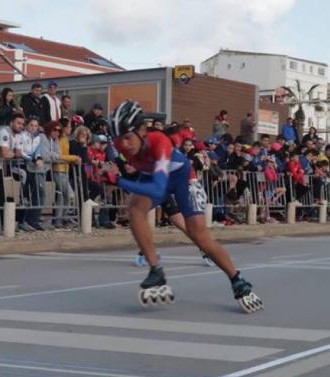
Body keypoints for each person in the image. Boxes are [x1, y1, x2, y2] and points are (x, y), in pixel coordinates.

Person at [106, 100, 263, 313]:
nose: (123, 145)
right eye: (118, 139)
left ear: (142, 130)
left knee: (199, 236)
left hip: (182, 179)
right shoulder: (119, 143)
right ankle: (156, 271)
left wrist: (118, 181)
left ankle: (238, 280)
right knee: (134, 209)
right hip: (153, 175)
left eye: (127, 137)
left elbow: (157, 189)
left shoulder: (159, 141)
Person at [52, 117, 80, 228]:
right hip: (58, 170)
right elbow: (59, 156)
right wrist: (73, 158)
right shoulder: (59, 140)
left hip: (64, 170)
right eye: (69, 126)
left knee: (64, 196)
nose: (71, 128)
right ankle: (60, 219)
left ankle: (60, 220)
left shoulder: (65, 139)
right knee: (67, 195)